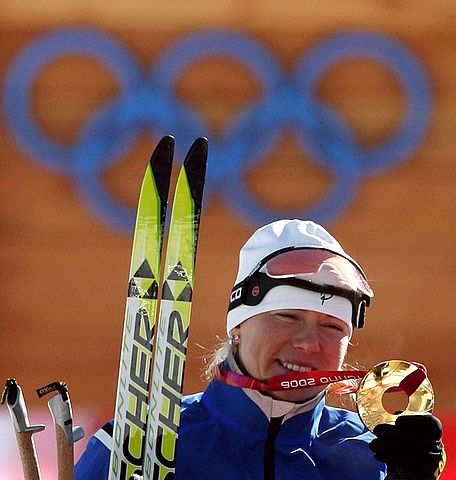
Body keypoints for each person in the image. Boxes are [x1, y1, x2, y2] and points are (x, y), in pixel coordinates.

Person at [75, 219, 445, 479]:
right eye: (286, 317)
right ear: (237, 324)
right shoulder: (137, 447)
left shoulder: (370, 456)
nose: (309, 343)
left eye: (332, 327)